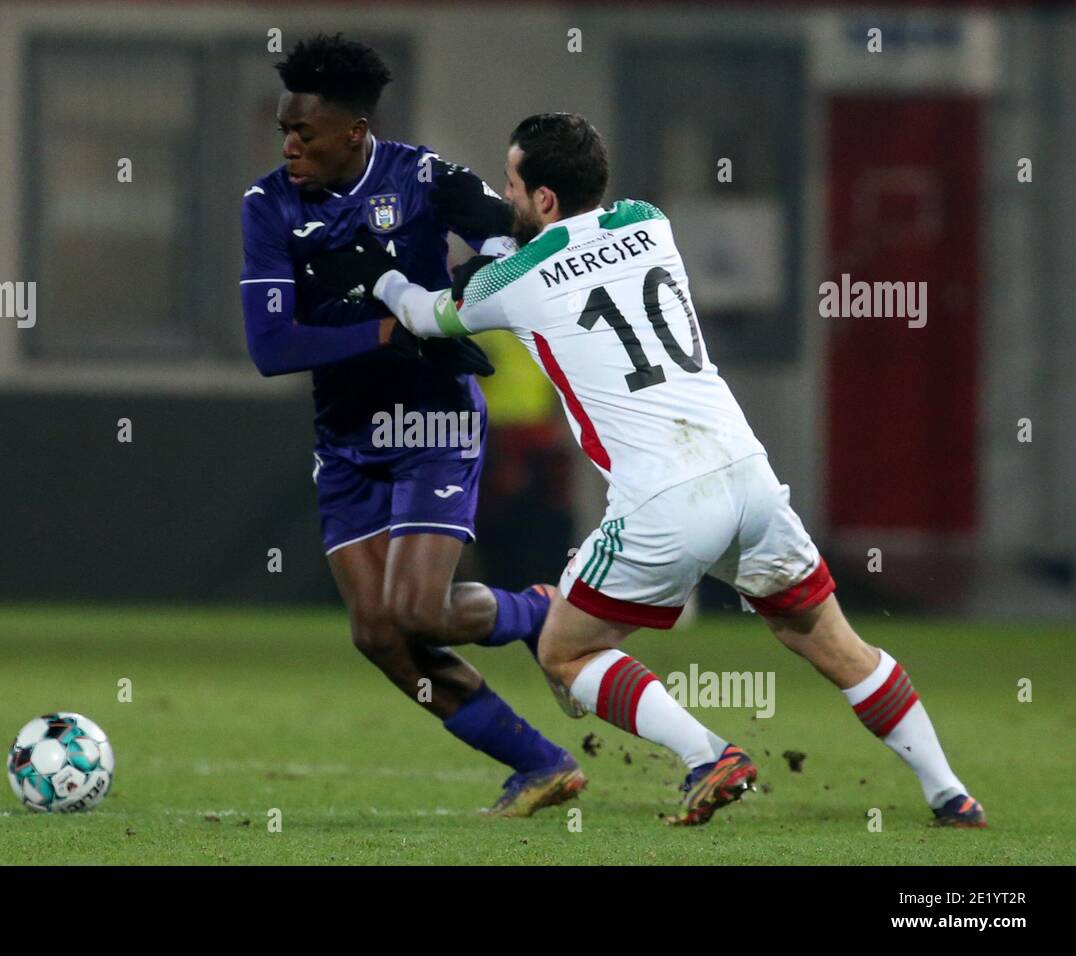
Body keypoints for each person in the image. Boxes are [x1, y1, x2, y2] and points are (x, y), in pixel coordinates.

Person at [302, 111, 986, 828]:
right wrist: (507, 240)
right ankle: (950, 792)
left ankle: (709, 753)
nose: (502, 196)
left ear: (542, 199)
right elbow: (562, 254)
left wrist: (375, 276)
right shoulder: (647, 220)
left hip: (664, 499)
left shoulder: (511, 281)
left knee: (566, 652)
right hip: (747, 475)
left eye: (510, 184)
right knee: (831, 641)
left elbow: (425, 315)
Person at [239, 38, 585, 816]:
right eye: (284, 133)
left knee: (419, 611)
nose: (290, 147)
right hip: (347, 437)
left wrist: (478, 276)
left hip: (432, 417)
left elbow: (509, 235)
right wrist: (391, 331)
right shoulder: (268, 206)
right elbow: (272, 347)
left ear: (354, 132)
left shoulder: (424, 178)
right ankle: (541, 762)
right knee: (377, 633)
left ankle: (538, 610)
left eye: (306, 134)